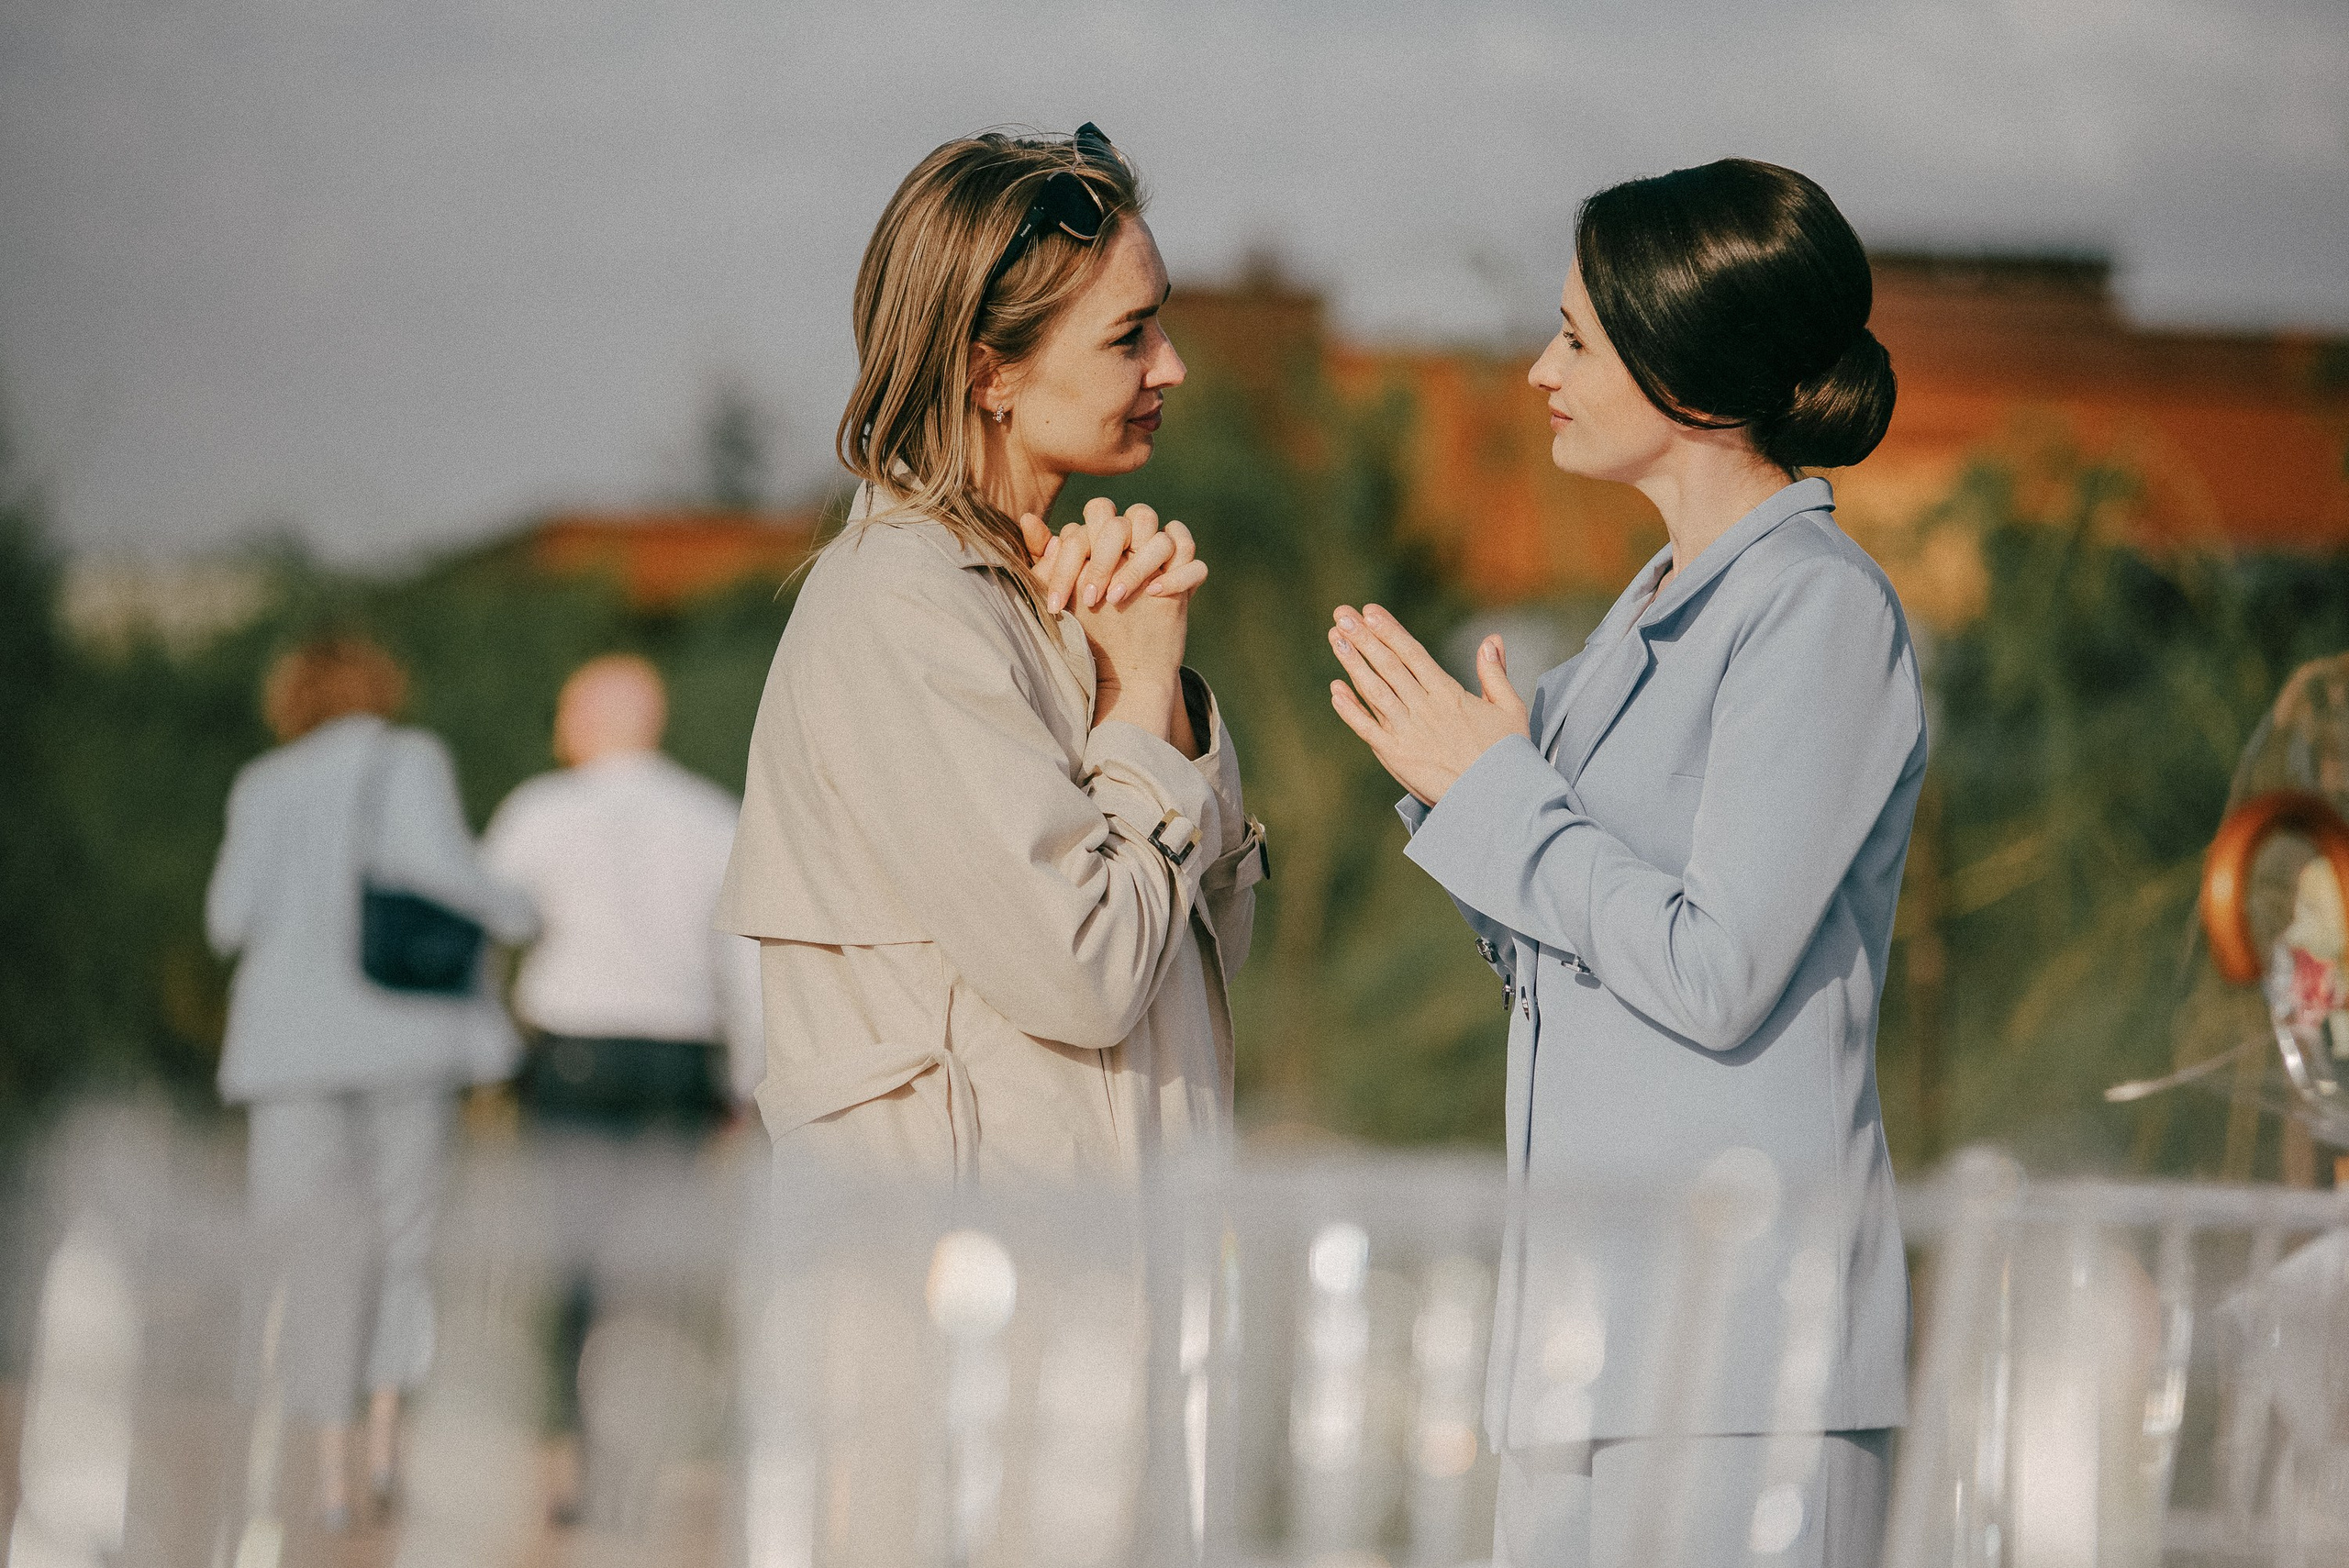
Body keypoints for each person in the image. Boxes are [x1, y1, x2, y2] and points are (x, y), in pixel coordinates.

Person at [1326, 160, 1922, 1568]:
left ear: (1688, 371)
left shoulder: (1817, 613)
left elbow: (1715, 969)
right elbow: (1576, 967)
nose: (1542, 369)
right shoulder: (1633, 625)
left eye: (1579, 339)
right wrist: (1473, 808)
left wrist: (1500, 798)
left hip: (1745, 1368)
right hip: (1589, 1334)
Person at [719, 122, 1266, 1181]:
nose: (1173, 365)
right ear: (989, 372)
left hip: (1123, 1287)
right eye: (1130, 336)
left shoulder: (1056, 597)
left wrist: (1161, 699)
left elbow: (1212, 946)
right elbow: (1091, 968)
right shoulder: (897, 611)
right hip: (972, 1309)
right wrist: (1139, 680)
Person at [206, 634, 537, 1531]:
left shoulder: (259, 783)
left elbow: (227, 918)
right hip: (406, 1040)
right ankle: (387, 1443)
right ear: (379, 688)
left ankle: (327, 1472)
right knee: (403, 1237)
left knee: (316, 1249)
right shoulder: (411, 757)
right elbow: (443, 871)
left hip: (286, 1052)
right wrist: (524, 908)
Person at [481, 653, 763, 1526]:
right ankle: (667, 1455)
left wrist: (490, 1048)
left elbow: (480, 930)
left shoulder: (539, 810)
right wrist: (746, 1079)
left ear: (593, 719)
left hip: (573, 1055)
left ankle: (570, 1463)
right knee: (665, 1265)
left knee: (571, 1262)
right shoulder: (711, 813)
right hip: (679, 1059)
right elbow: (745, 959)